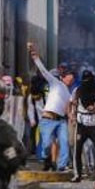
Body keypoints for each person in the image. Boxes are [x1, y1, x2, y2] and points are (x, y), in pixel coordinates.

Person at [28, 42, 73, 172]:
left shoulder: (69, 94)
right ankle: (47, 159)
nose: (71, 78)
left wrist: (72, 117)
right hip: (47, 119)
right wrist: (35, 56)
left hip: (61, 121)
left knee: (64, 143)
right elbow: (43, 70)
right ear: (63, 77)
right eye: (70, 76)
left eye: (73, 77)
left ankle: (61, 166)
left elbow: (69, 107)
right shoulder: (55, 83)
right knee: (46, 145)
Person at [70, 70, 95, 182]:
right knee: (78, 150)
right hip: (81, 123)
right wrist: (73, 116)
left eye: (88, 79)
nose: (86, 82)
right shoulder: (78, 90)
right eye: (84, 79)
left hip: (94, 123)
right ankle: (77, 174)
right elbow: (73, 103)